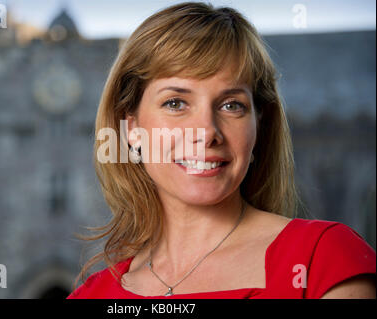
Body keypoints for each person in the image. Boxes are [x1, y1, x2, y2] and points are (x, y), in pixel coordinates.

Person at [67, 2, 375, 299]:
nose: (207, 132)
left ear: (259, 126)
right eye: (175, 103)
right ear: (131, 128)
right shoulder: (92, 294)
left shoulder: (324, 262)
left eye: (231, 105)